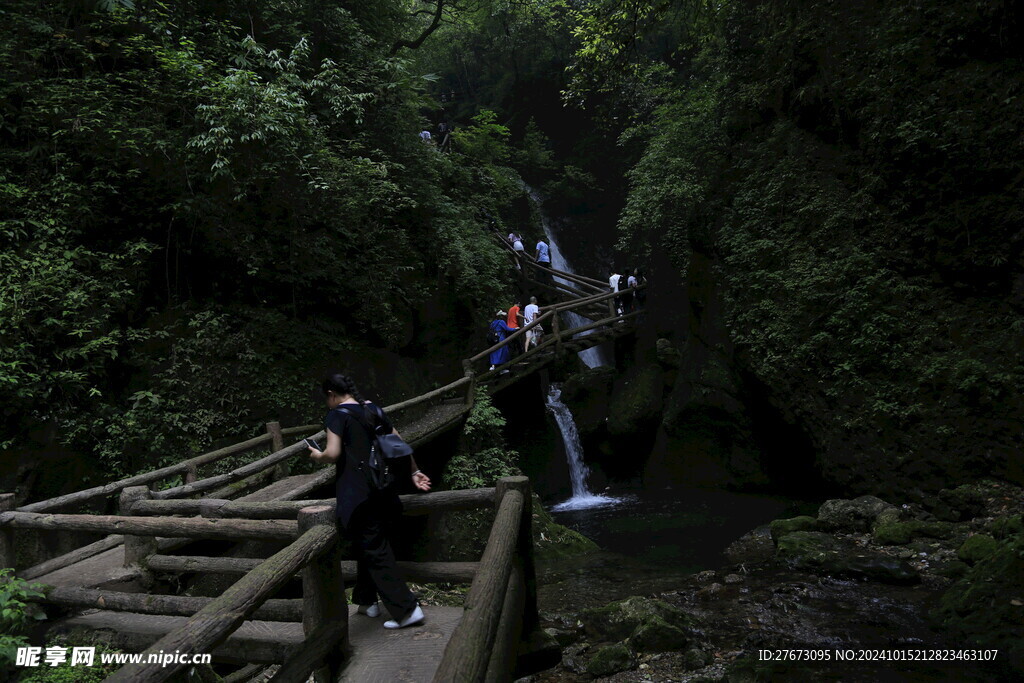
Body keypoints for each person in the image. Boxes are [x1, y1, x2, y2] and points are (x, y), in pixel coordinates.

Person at [307, 373, 431, 629]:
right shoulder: (372, 409)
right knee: (370, 545)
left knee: (375, 550)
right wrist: (414, 472)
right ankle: (367, 602)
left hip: (359, 493)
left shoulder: (337, 415)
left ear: (331, 394)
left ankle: (407, 611)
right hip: (384, 491)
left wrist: (316, 455)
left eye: (327, 398)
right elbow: (397, 443)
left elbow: (332, 454)